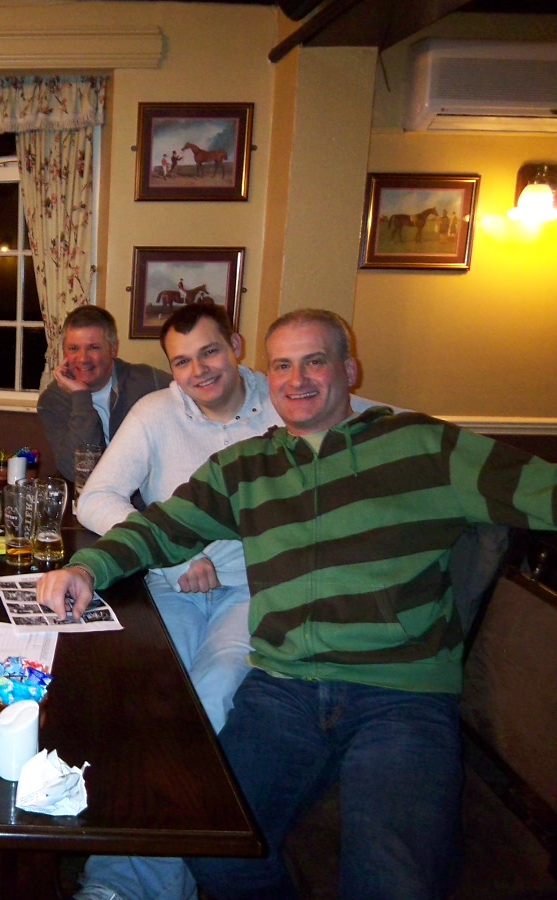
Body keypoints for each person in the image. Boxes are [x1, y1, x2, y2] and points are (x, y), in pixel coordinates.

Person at [39, 309, 557, 900]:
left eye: (315, 361)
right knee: (212, 845)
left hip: (399, 698)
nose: (297, 378)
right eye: (283, 365)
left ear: (349, 369)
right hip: (284, 688)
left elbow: (542, 491)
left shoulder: (423, 447)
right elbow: (161, 528)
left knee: (392, 882)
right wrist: (88, 567)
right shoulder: (246, 467)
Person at [72, 303, 383, 900]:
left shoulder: (288, 396)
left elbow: (374, 417)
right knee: (146, 698)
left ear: (236, 346)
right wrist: (175, 556)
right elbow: (97, 496)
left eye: (210, 352)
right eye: (182, 361)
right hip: (173, 588)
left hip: (256, 593)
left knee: (212, 696)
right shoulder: (156, 413)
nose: (199, 370)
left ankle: (141, 884)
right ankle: (123, 878)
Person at [37, 306, 171, 482]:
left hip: (149, 494)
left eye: (93, 347)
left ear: (113, 349)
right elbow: (74, 471)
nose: (83, 358)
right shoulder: (52, 400)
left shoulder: (149, 381)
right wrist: (81, 397)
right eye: (73, 348)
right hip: (91, 494)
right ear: (64, 353)